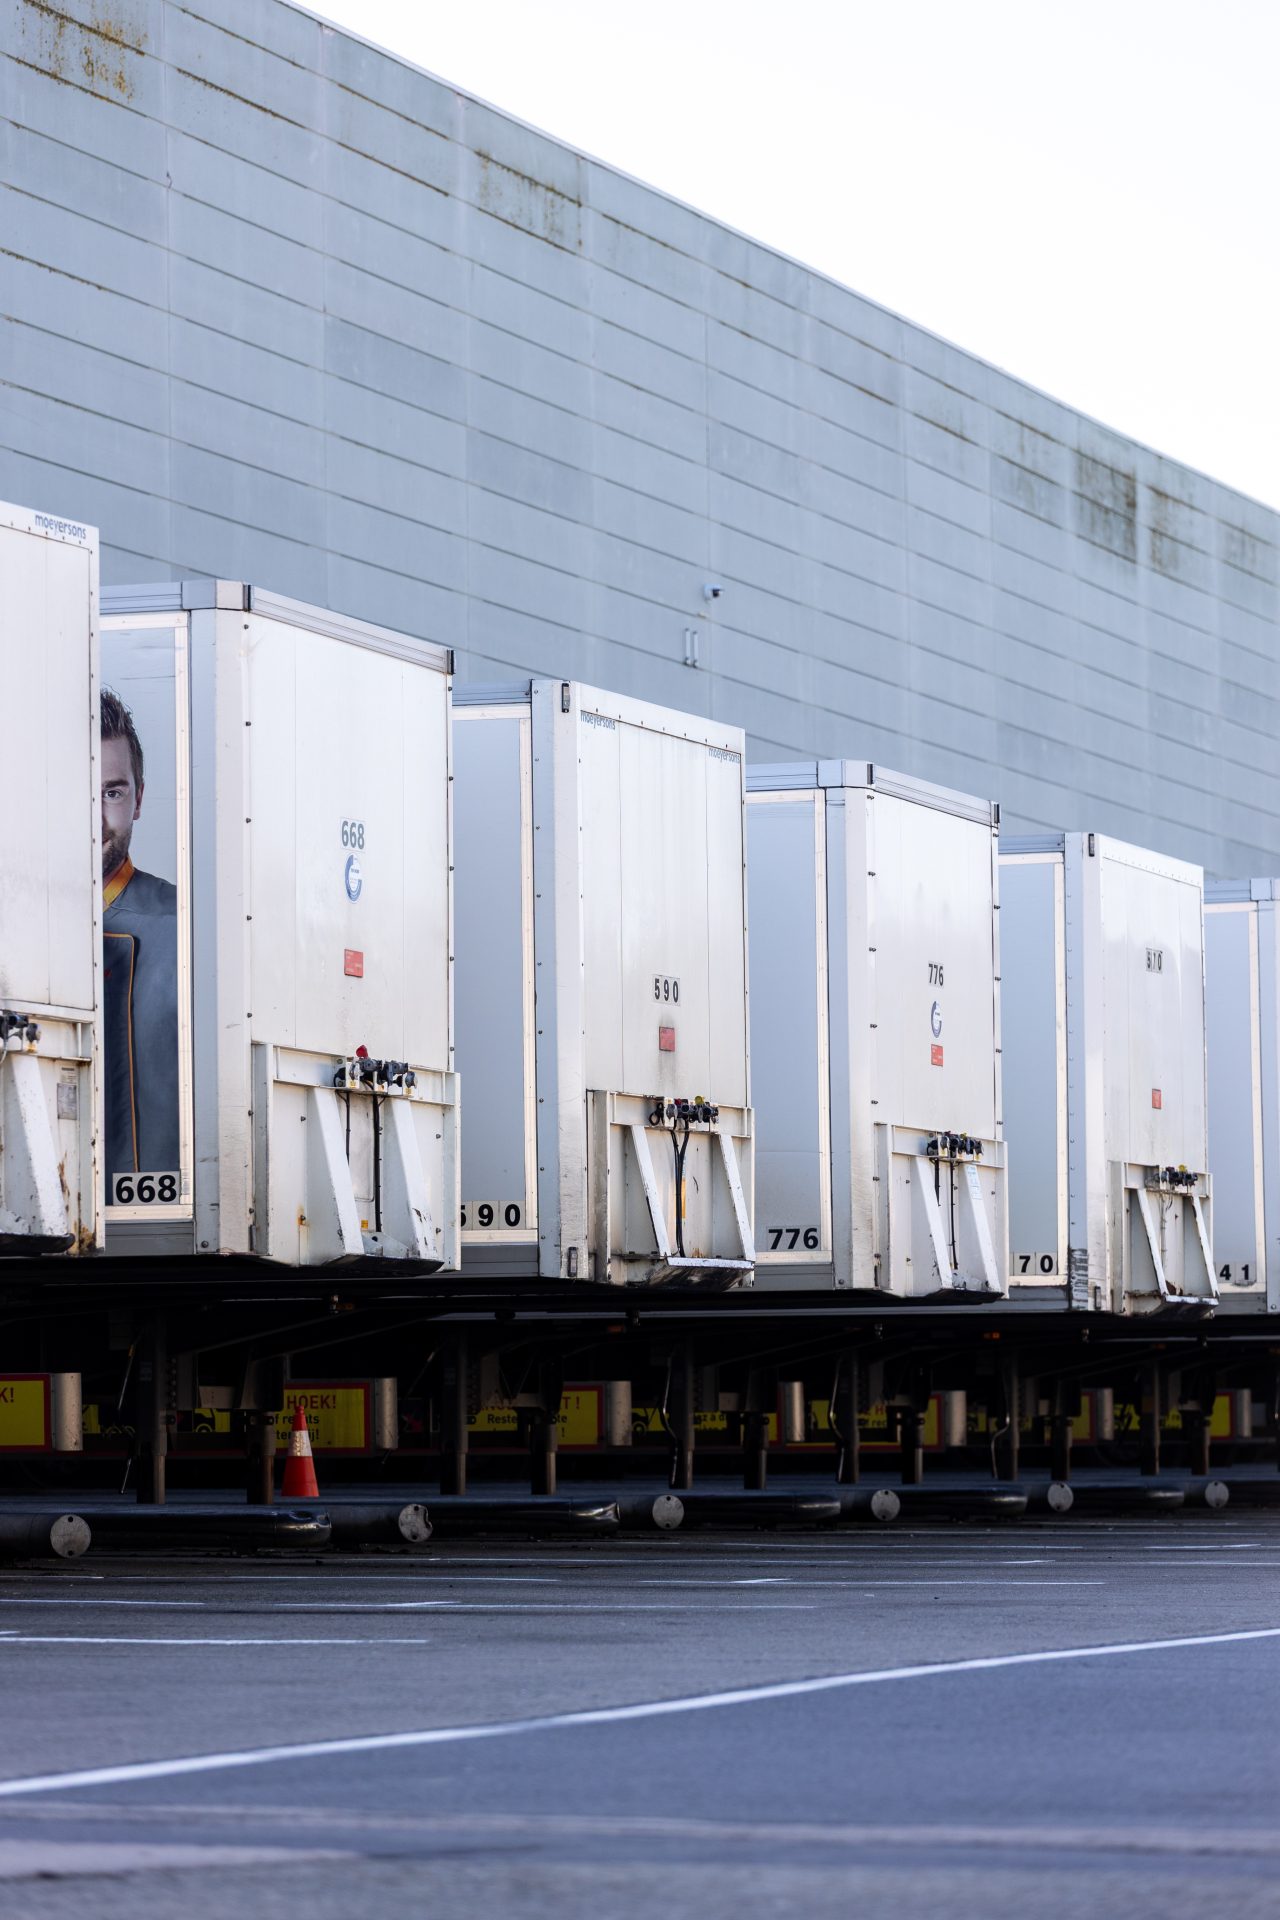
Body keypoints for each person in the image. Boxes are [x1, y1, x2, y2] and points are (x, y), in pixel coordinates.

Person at [101, 688, 180, 1189]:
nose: (95, 818)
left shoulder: (185, 927)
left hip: (166, 1232)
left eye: (112, 792)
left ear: (139, 800)